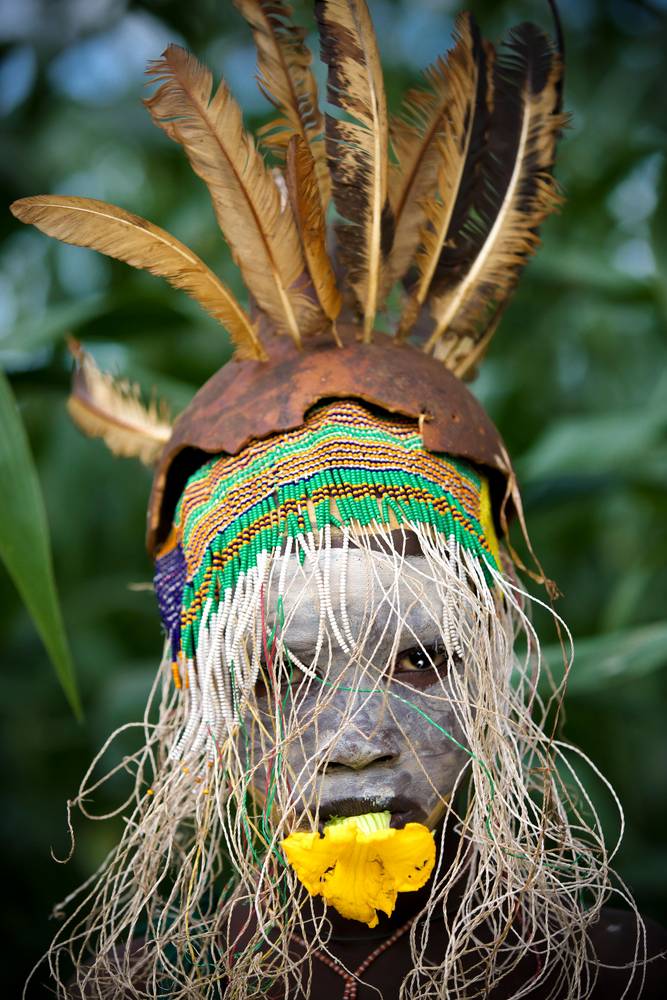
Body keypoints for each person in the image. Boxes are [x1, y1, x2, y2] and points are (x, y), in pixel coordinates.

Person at [12, 2, 665, 997]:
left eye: (417, 658)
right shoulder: (142, 985)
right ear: (197, 707)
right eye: (281, 669)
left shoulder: (616, 974)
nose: (358, 736)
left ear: (497, 668)